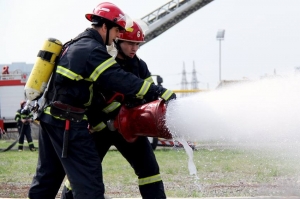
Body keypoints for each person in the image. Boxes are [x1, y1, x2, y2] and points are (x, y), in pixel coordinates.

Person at [27, 2, 175, 199]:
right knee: (89, 183)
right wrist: (159, 90)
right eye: (116, 31)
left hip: (55, 120)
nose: (116, 37)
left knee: (47, 179)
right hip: (72, 124)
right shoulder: (92, 51)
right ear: (105, 27)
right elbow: (118, 79)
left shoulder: (76, 44)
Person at [61, 21, 167, 199]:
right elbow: (88, 96)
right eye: (130, 43)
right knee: (83, 174)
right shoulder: (102, 61)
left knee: (149, 170)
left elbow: (149, 95)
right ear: (117, 41)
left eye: (137, 44)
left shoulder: (140, 66)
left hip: (129, 128)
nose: (134, 49)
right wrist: (99, 119)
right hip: (98, 129)